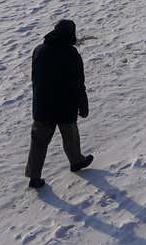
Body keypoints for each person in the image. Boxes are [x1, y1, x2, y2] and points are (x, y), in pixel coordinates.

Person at [27, 19, 93, 188]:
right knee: (70, 135)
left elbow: (34, 77)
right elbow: (78, 83)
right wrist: (83, 105)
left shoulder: (39, 50)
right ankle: (76, 161)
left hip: (43, 106)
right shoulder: (71, 54)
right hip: (65, 106)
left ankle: (34, 176)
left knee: (38, 142)